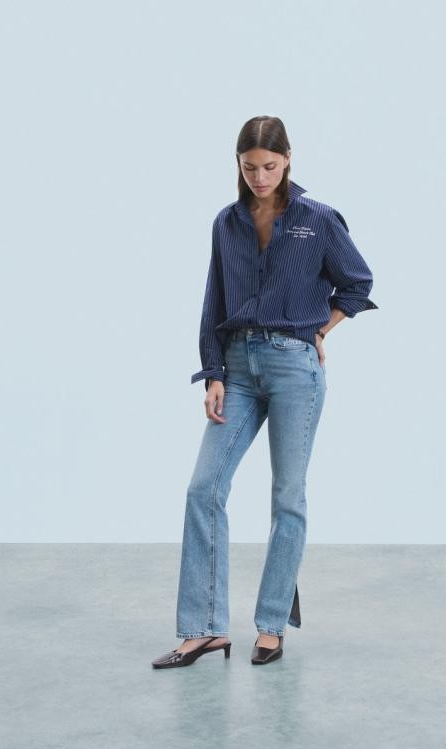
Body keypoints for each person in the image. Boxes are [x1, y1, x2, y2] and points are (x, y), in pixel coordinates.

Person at [152, 115, 378, 669]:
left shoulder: (317, 220)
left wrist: (320, 331)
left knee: (287, 496)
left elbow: (357, 283)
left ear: (289, 159)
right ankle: (204, 629)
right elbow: (214, 301)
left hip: (295, 368)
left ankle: (271, 625)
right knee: (203, 489)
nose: (260, 177)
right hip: (237, 366)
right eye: (250, 167)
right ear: (238, 164)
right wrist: (213, 373)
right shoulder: (226, 223)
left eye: (270, 167)